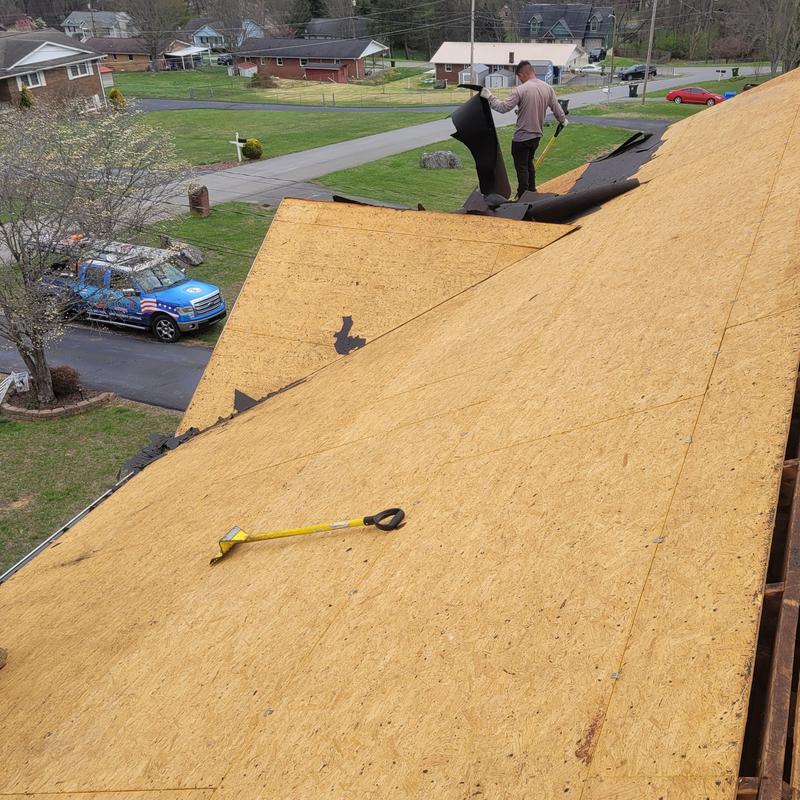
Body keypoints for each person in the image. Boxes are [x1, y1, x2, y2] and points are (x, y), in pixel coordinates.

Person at [480, 61, 568, 198]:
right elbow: (557, 109)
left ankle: (523, 195)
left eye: (519, 77)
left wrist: (489, 97)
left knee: (522, 167)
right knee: (528, 163)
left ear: (523, 74)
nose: (520, 80)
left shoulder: (521, 90)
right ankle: (532, 192)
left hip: (522, 137)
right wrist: (563, 120)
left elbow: (503, 108)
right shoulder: (547, 88)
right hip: (537, 136)